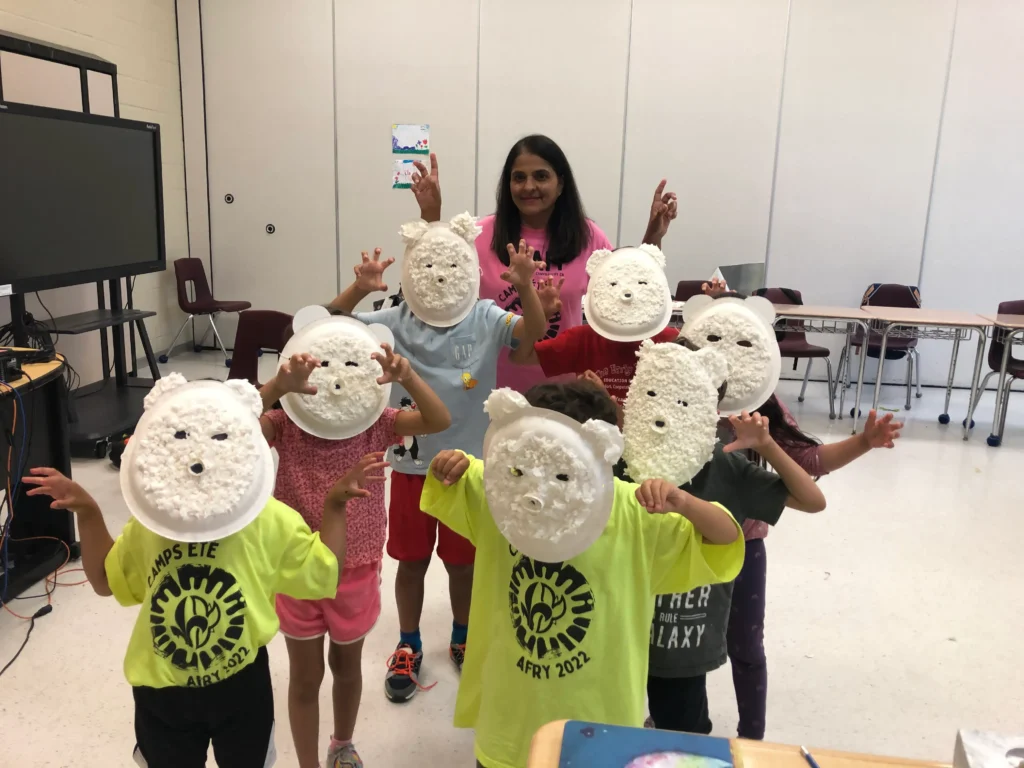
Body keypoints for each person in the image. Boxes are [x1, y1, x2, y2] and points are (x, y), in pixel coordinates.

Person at [422, 379, 744, 768]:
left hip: (599, 718)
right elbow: (455, 472)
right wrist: (450, 461)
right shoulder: (501, 493)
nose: (536, 487)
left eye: (560, 473)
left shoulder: (633, 512)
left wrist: (682, 501)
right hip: (509, 718)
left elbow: (724, 539)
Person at [21, 455, 377, 768]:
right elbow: (104, 580)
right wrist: (88, 511)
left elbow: (324, 570)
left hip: (241, 685)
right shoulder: (154, 521)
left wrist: (333, 506)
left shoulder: (266, 517)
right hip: (162, 690)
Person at [328, 229, 548, 703]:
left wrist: (527, 286)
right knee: (410, 561)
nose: (440, 276)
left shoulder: (487, 317)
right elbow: (327, 326)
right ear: (411, 273)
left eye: (449, 267)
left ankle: (463, 635)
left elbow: (532, 332)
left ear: (467, 270)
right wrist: (361, 288)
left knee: (463, 566)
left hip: (469, 469)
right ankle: (408, 643)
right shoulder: (394, 319)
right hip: (410, 468)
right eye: (427, 267)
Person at [259, 345, 451, 768]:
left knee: (346, 666)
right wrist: (276, 388)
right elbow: (231, 431)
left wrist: (407, 378)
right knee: (305, 678)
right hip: (296, 567)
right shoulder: (285, 420)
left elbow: (439, 419)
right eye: (322, 366)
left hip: (356, 567)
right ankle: (309, 762)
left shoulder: (374, 422)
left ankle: (341, 744)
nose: (334, 377)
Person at [409, 138, 679, 392]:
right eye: (519, 178)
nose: (528, 186)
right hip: (487, 384)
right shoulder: (479, 235)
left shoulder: (589, 237)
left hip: (565, 390)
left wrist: (654, 235)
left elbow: (631, 292)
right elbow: (434, 282)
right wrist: (430, 215)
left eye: (541, 176)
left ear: (560, 184)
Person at [725, 396, 902, 740]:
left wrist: (863, 442)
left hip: (743, 544)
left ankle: (752, 739)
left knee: (746, 647)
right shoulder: (679, 379)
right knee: (671, 642)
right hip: (679, 538)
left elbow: (807, 461)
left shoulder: (760, 400)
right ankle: (671, 719)